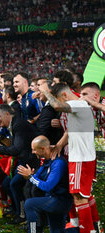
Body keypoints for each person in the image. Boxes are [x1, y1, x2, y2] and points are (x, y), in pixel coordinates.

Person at [39, 83, 100, 233]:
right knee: (83, 194)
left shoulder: (77, 104)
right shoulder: (79, 106)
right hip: (81, 156)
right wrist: (59, 145)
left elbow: (58, 106)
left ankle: (87, 230)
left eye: (61, 99)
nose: (61, 103)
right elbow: (71, 130)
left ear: (65, 96)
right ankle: (95, 226)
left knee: (78, 196)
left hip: (81, 158)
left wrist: (46, 92)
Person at [0, 104, 39, 224]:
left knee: (14, 184)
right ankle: (16, 210)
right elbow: (14, 145)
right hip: (24, 161)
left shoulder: (18, 125)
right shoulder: (14, 124)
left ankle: (23, 216)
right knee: (6, 184)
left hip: (32, 164)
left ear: (7, 114)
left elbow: (16, 150)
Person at [18, 136, 73, 233]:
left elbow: (47, 186)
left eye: (34, 150)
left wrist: (31, 177)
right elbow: (37, 178)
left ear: (43, 149)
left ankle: (34, 231)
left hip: (61, 201)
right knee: (57, 231)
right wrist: (30, 176)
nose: (32, 152)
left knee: (29, 204)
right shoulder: (47, 161)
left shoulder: (58, 163)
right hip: (53, 199)